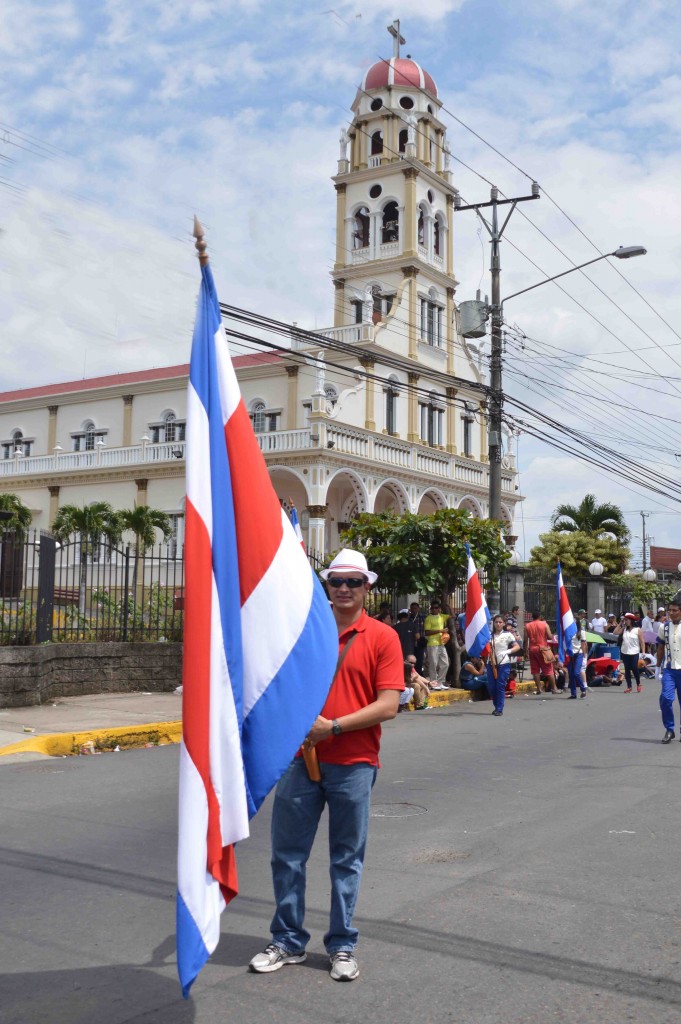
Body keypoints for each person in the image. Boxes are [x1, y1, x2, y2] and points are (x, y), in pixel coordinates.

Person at [249, 548, 403, 982]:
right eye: (337, 581)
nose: (344, 589)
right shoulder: (304, 632)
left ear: (366, 587)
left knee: (346, 859)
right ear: (327, 586)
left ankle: (342, 945)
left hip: (354, 763)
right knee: (287, 856)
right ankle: (288, 940)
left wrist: (332, 727)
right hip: (300, 760)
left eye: (353, 582)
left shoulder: (383, 637)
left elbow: (388, 705)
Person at [486, 614, 521, 717]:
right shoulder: (489, 635)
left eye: (500, 622)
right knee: (492, 687)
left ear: (504, 624)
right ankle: (496, 706)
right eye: (496, 622)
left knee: (500, 686)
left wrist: (507, 651)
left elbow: (517, 647)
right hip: (491, 663)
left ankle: (499, 709)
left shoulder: (508, 635)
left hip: (503, 663)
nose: (498, 624)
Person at [657, 594, 681, 744]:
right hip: (669, 669)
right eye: (669, 610)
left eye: (674, 610)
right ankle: (669, 729)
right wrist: (657, 667)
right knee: (666, 699)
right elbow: (660, 647)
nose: (671, 613)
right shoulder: (664, 627)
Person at [524, 610, 558, 695]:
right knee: (549, 670)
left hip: (532, 649)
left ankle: (539, 689)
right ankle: (554, 688)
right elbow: (549, 636)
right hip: (543, 649)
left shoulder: (527, 626)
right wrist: (553, 635)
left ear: (532, 617)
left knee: (535, 670)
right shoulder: (544, 624)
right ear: (539, 616)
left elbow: (525, 640)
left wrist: (525, 651)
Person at [615, 613, 644, 693]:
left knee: (634, 668)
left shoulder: (637, 629)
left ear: (631, 621)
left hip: (634, 652)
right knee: (627, 669)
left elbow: (642, 641)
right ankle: (629, 686)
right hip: (625, 651)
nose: (626, 621)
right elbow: (615, 632)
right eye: (625, 620)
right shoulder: (624, 629)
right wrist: (620, 623)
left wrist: (643, 651)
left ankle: (638, 683)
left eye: (626, 620)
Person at [423, 599, 449, 689]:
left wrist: (448, 606)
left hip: (441, 643)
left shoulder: (442, 616)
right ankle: (433, 683)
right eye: (432, 608)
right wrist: (440, 631)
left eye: (436, 608)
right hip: (432, 643)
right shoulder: (428, 618)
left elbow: (453, 616)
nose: (434, 609)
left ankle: (440, 682)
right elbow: (426, 632)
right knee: (433, 664)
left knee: (445, 663)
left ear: (439, 609)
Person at [567, 615, 588, 699]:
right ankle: (573, 693)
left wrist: (585, 655)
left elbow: (583, 644)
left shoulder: (581, 632)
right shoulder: (568, 631)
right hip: (570, 654)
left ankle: (583, 689)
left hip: (579, 653)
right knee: (571, 674)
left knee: (576, 672)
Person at [408, 602, 426, 673]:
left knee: (420, 659)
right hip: (411, 642)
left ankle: (419, 673)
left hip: (420, 641)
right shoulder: (409, 618)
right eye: (412, 608)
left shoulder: (422, 617)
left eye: (415, 608)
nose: (414, 610)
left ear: (418, 609)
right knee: (411, 660)